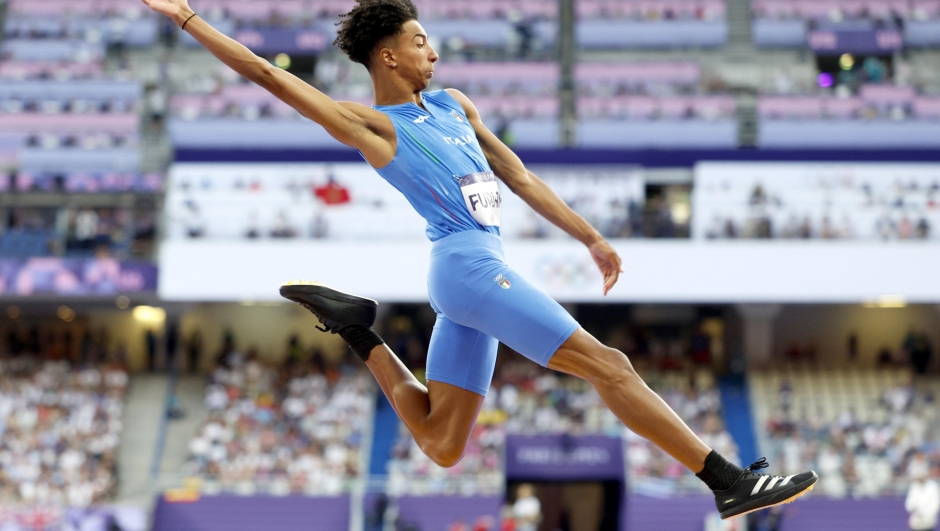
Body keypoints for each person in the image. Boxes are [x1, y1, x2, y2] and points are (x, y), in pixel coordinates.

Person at [142, 0, 817, 519]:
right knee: (608, 364)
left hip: (472, 275)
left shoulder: (453, 104)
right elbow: (267, 76)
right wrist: (190, 18)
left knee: (441, 443)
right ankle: (729, 481)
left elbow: (519, 177)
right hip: (465, 269)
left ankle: (355, 329)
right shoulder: (375, 127)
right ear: (387, 58)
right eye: (418, 40)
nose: (431, 49)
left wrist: (589, 236)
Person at [906, 466, 940, 531]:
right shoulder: (914, 486)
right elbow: (909, 503)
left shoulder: (933, 486)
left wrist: (926, 513)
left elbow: (936, 503)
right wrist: (916, 510)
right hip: (916, 520)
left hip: (928, 520)